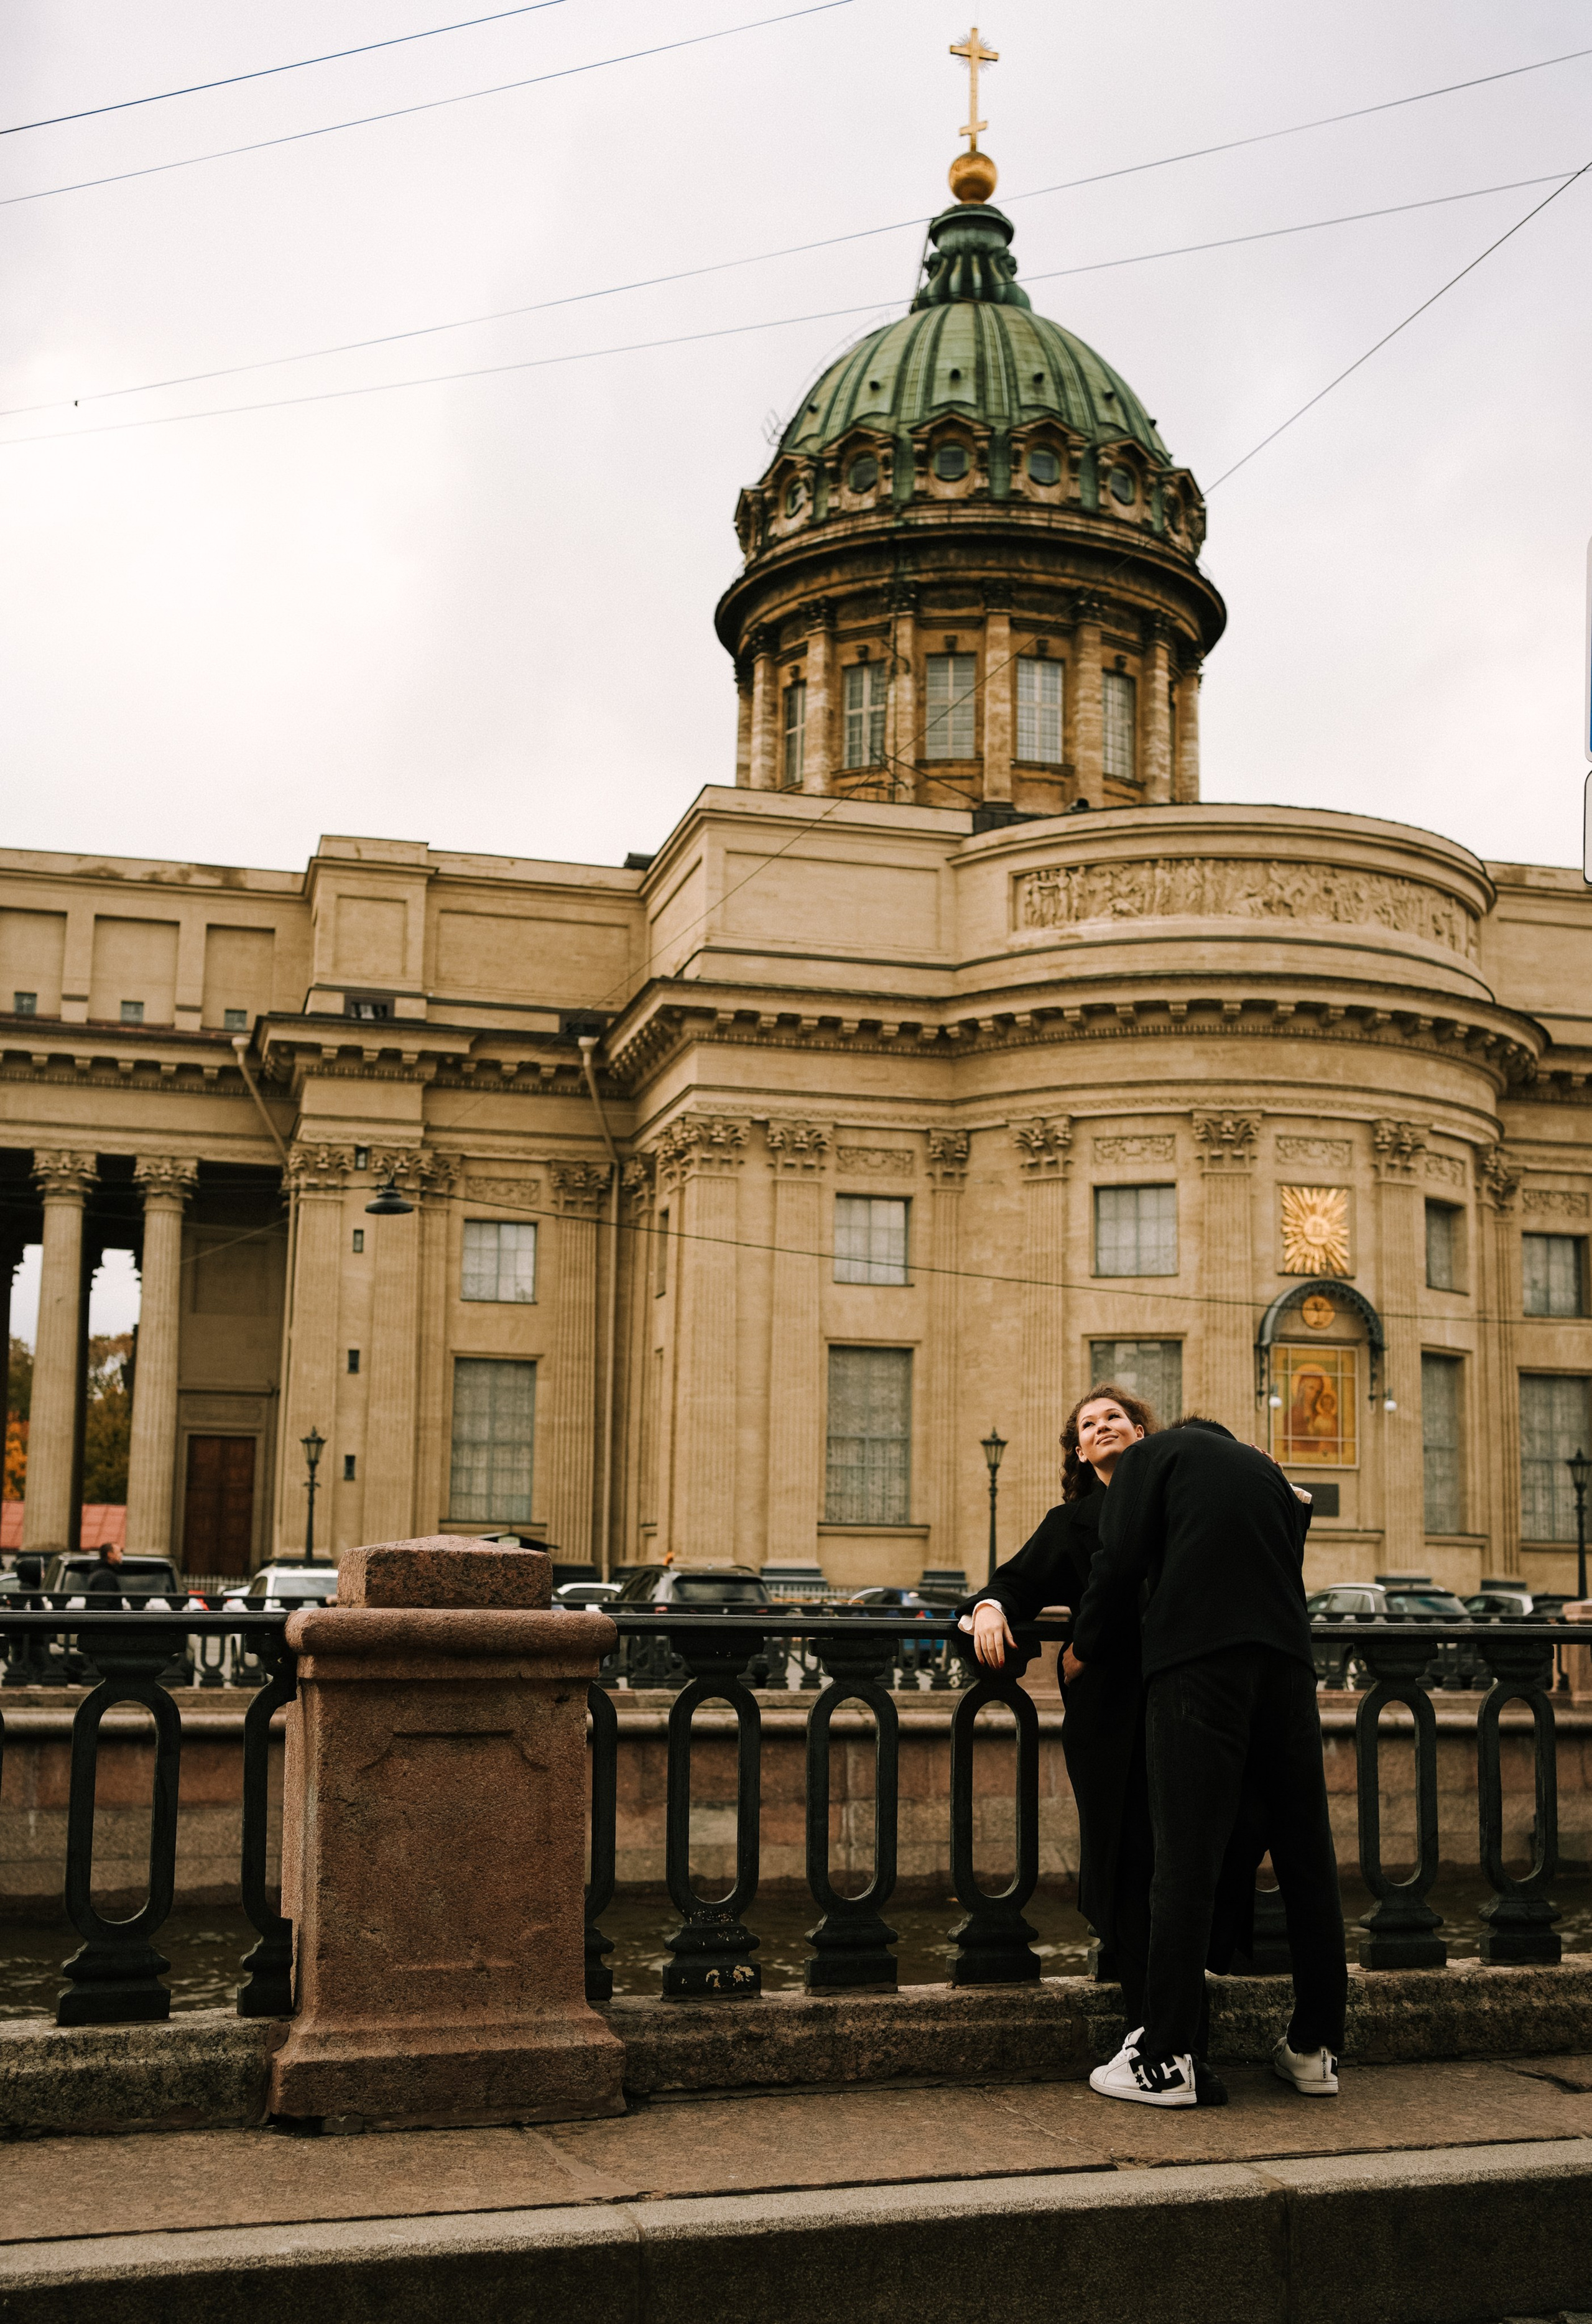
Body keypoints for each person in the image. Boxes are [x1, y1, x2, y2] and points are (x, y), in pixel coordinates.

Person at [962, 1387, 1259, 2108]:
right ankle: (1162, 2036)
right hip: (1115, 1722)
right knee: (1129, 1869)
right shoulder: (1072, 1522)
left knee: (1190, 1865)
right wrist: (991, 1607)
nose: (1102, 1428)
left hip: (1194, 1708)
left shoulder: (1184, 1499)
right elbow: (1017, 1579)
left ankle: (1176, 2040)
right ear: (1077, 1450)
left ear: (1144, 1432)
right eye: (1088, 1424)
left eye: (1115, 1419)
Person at [1073, 1417, 1346, 2111]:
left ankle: (1165, 2055)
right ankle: (1315, 2047)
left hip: (1198, 1667)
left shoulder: (1150, 1456)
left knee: (1184, 1856)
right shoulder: (1263, 1472)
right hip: (1286, 1666)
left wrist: (1088, 1647)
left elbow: (1119, 1556)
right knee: (1307, 1859)